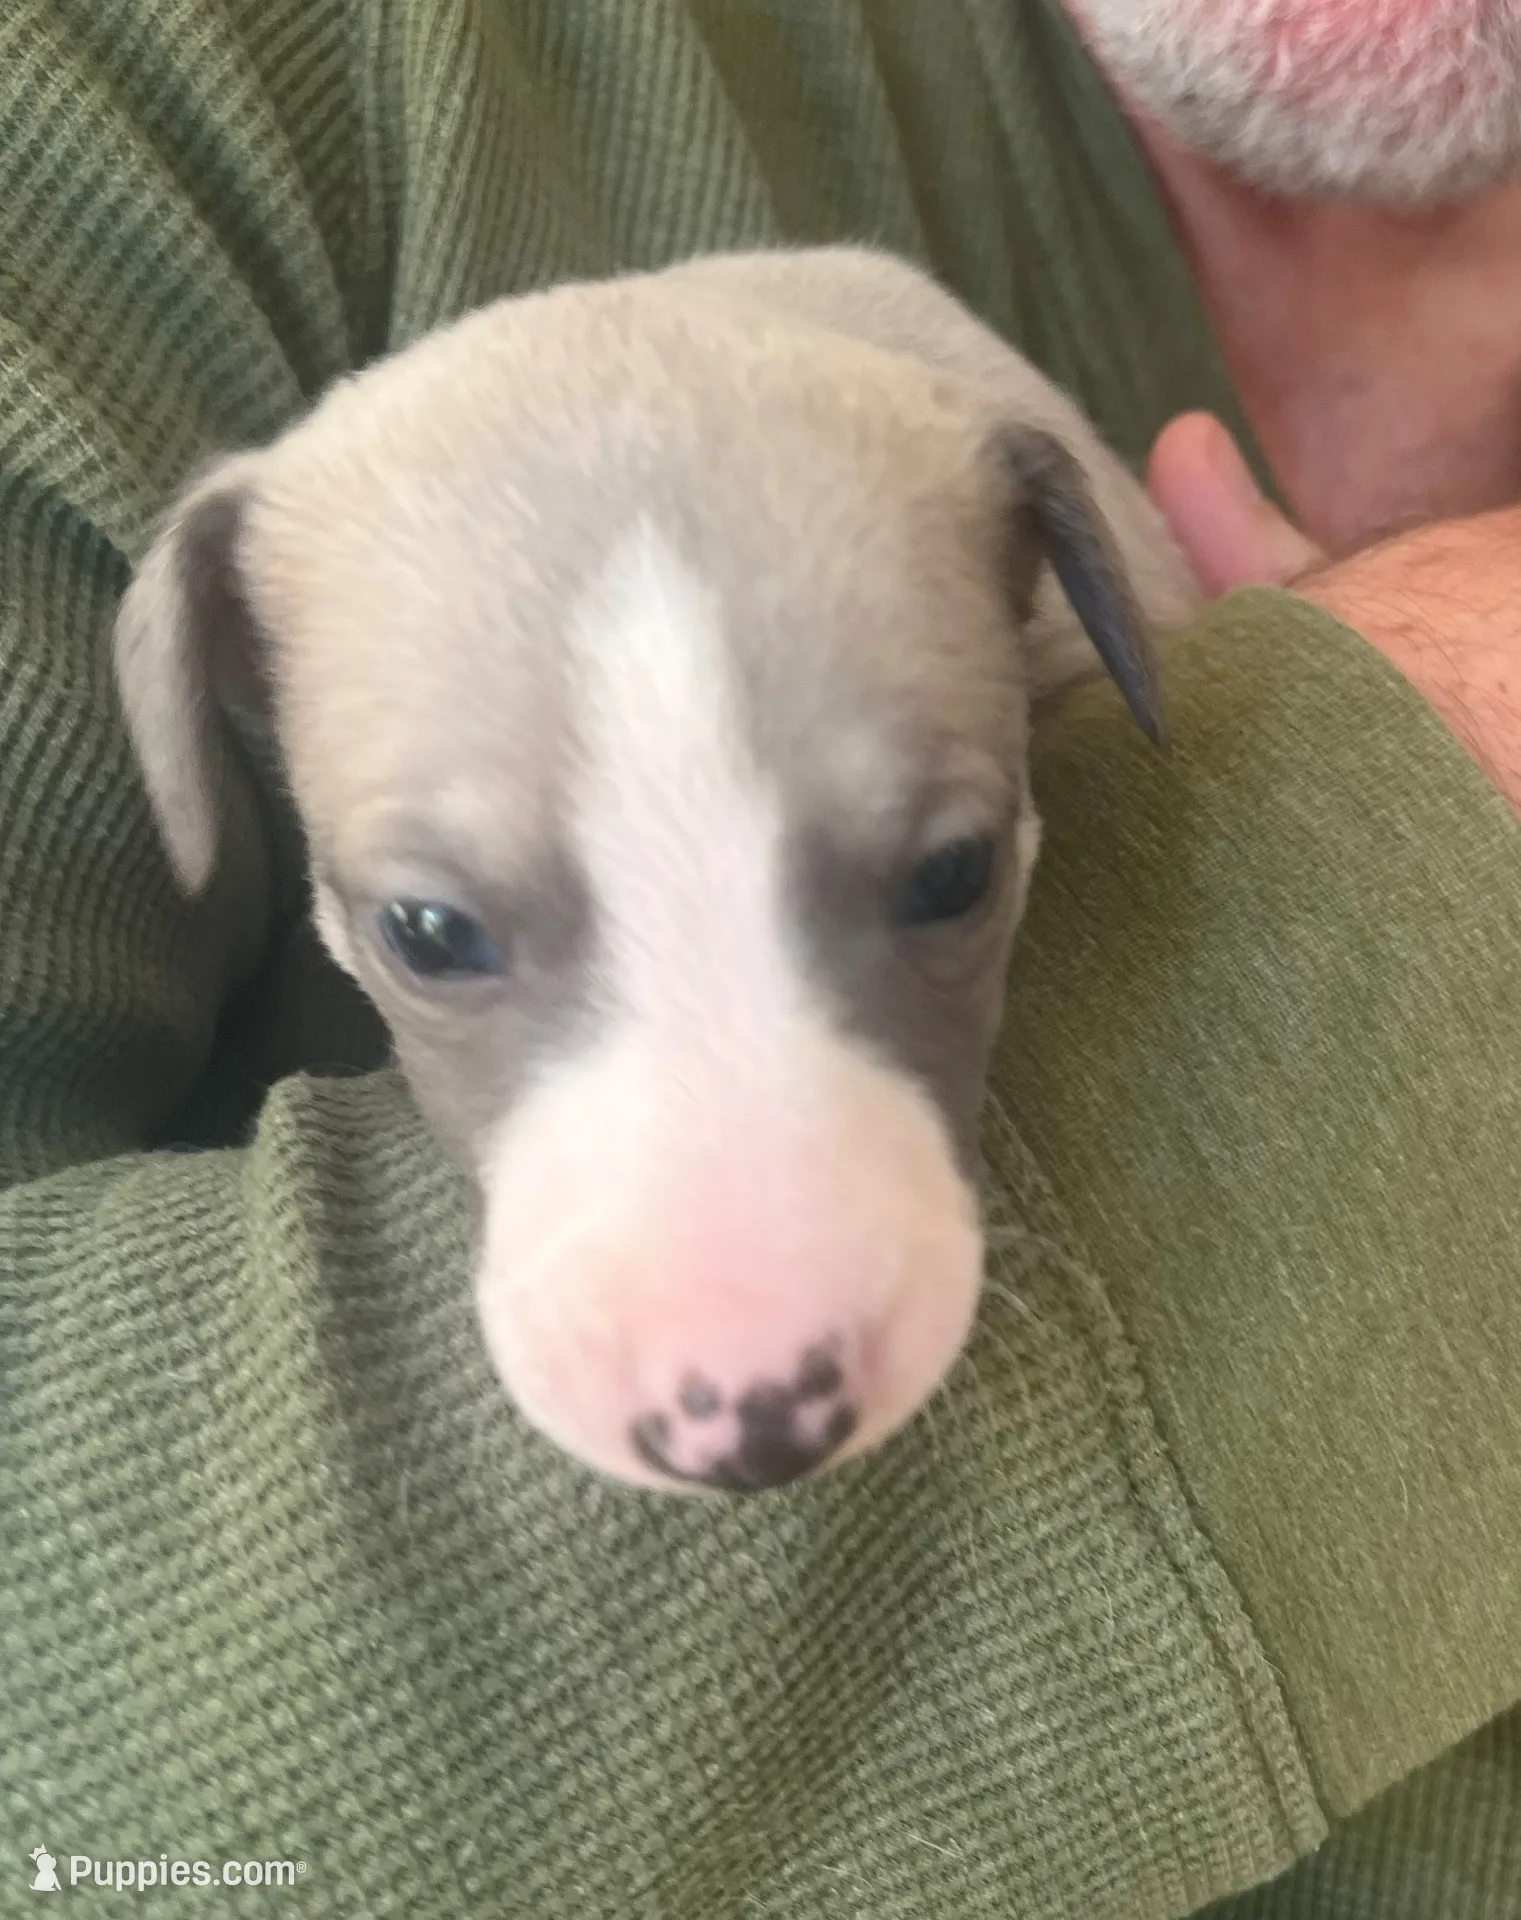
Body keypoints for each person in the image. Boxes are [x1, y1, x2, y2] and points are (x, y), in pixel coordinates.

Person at [1, 3, 1517, 1915]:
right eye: (445, 935)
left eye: (943, 876)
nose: (755, 1374)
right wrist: (1423, 808)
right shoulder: (184, 84)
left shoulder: (975, 454)